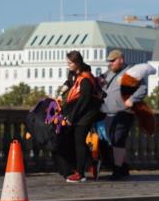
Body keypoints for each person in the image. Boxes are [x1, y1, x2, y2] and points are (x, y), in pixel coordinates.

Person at [54, 51, 104, 183]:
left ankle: (81, 174)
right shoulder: (74, 74)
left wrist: (71, 118)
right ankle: (89, 163)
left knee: (79, 142)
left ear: (77, 63)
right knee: (76, 141)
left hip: (86, 114)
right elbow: (69, 82)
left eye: (70, 63)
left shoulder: (86, 78)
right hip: (80, 113)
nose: (68, 65)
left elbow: (84, 101)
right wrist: (61, 93)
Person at [100, 49, 148, 181]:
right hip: (108, 114)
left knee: (118, 141)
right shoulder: (108, 73)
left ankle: (118, 170)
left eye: (113, 61)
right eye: (109, 61)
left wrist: (132, 100)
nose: (110, 64)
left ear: (121, 59)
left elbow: (143, 88)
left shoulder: (131, 72)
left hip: (124, 113)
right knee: (112, 142)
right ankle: (123, 168)